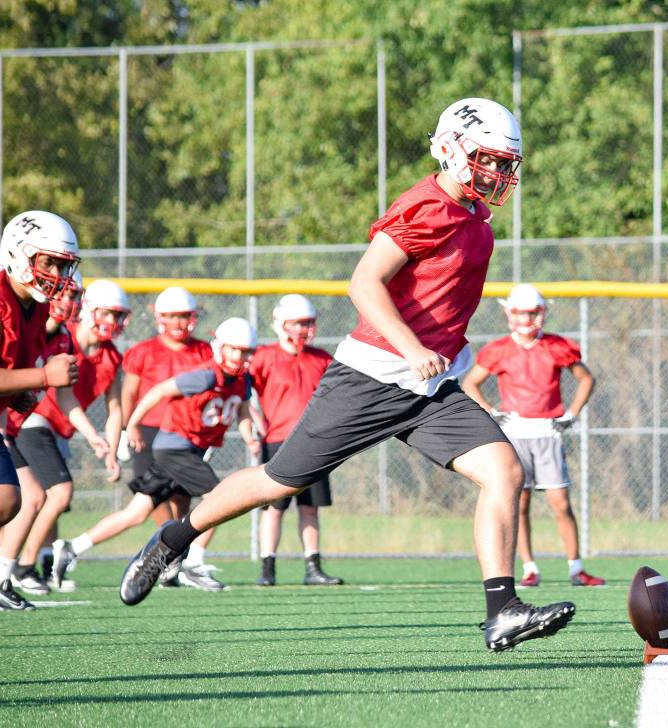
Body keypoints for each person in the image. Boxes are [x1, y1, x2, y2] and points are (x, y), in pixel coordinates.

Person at [119, 98, 575, 653]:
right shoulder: (425, 205)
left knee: (504, 470)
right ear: (452, 149)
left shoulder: (477, 216)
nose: (498, 173)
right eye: (487, 159)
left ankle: (502, 611)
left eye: (506, 162)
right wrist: (412, 347)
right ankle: (172, 539)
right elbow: (363, 283)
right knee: (279, 480)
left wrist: (444, 346)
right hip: (373, 378)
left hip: (428, 387)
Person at [57, 317, 260, 591]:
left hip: (187, 451)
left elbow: (242, 409)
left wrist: (249, 437)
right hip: (175, 449)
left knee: (138, 513)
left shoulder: (242, 380)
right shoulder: (206, 375)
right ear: (220, 346)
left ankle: (72, 547)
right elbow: (157, 391)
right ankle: (193, 564)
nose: (239, 356)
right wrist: (133, 424)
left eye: (246, 351)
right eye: (234, 349)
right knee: (220, 499)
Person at [462, 283, 605, 588]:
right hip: (514, 433)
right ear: (509, 314)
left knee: (561, 503)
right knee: (520, 503)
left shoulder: (557, 346)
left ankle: (576, 568)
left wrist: (571, 414)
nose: (527, 319)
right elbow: (470, 384)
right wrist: (490, 410)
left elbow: (586, 379)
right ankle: (529, 567)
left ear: (542, 313)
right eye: (521, 313)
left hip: (547, 432)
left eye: (533, 312)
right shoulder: (498, 350)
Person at [0, 211, 80, 610]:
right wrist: (41, 379)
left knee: (4, 501)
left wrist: (17, 392)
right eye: (48, 261)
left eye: (62, 264)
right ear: (19, 255)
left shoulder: (34, 307)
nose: (56, 272)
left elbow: (4, 372)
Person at [8, 279, 126, 595]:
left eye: (118, 315)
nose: (112, 322)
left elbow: (115, 410)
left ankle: (32, 565)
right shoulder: (62, 336)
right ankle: (21, 567)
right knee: (56, 494)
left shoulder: (112, 357)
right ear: (88, 309)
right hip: (32, 419)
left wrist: (109, 450)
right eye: (107, 313)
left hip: (59, 427)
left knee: (42, 500)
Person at [250, 294, 341, 587]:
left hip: (316, 441)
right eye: (297, 323)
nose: (303, 329)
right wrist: (255, 422)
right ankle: (267, 569)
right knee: (273, 507)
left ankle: (313, 566)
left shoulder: (321, 357)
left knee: (310, 508)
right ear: (281, 323)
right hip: (278, 440)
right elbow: (242, 394)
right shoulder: (264, 356)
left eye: (307, 323)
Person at [118, 287, 212, 528]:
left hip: (184, 431)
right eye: (172, 315)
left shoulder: (204, 351)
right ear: (160, 317)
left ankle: (178, 546)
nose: (179, 322)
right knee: (153, 496)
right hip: (149, 429)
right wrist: (129, 427)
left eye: (183, 315)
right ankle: (167, 542)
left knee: (182, 493)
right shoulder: (143, 350)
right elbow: (129, 392)